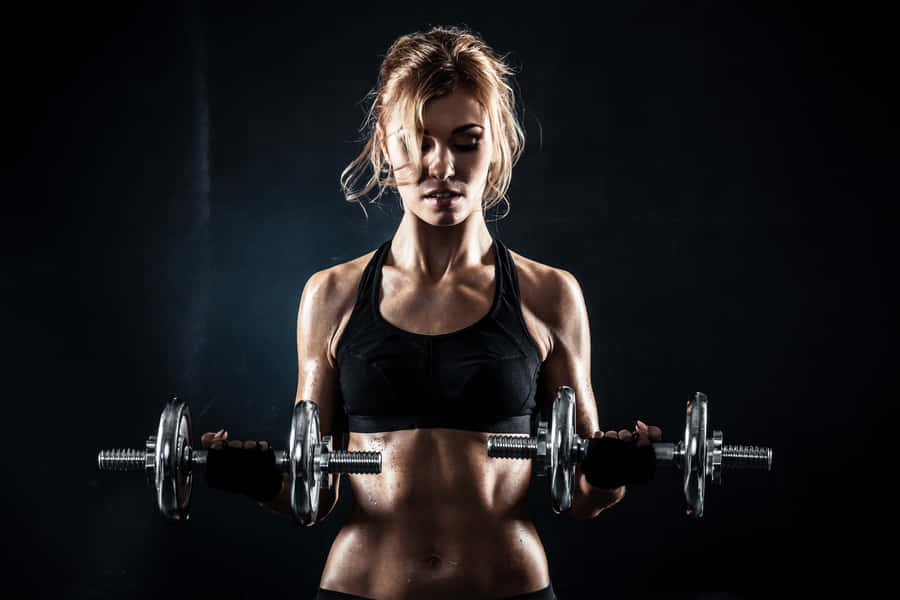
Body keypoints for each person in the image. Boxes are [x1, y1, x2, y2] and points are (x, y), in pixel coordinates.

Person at [202, 26, 662, 600]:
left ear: (497, 145)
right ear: (383, 145)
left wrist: (615, 470)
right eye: (417, 141)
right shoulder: (331, 296)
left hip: (509, 588)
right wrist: (260, 479)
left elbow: (583, 495)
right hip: (360, 588)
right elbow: (311, 496)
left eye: (465, 141)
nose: (440, 165)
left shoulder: (550, 295)